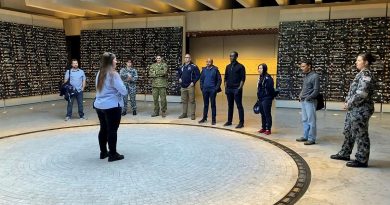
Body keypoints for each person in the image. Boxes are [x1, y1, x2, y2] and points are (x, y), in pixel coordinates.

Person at [330, 53, 376, 168]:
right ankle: (345, 153)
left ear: (366, 62)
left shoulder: (366, 74)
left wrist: (349, 103)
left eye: (359, 60)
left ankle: (362, 159)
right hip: (354, 108)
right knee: (349, 131)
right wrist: (349, 104)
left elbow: (362, 94)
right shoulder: (361, 74)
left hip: (361, 110)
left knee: (361, 134)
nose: (356, 62)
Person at [94, 52, 127, 162]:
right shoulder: (114, 74)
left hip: (99, 106)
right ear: (110, 61)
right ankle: (113, 154)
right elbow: (123, 91)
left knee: (103, 129)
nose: (116, 61)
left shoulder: (100, 73)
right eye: (115, 59)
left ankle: (103, 152)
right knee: (112, 130)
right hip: (112, 106)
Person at [296, 60, 319, 145]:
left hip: (310, 101)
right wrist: (300, 95)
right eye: (301, 66)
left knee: (311, 121)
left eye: (303, 66)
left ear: (309, 66)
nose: (301, 68)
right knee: (305, 119)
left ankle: (312, 139)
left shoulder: (315, 76)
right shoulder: (305, 76)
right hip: (303, 100)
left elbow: (316, 90)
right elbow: (304, 88)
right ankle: (305, 136)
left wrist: (307, 98)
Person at [224, 51, 246, 128]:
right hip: (229, 89)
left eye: (232, 56)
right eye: (230, 56)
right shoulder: (228, 67)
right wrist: (226, 88)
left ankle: (241, 122)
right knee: (230, 106)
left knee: (239, 106)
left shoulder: (241, 67)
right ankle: (229, 121)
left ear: (236, 57)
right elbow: (225, 78)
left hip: (236, 89)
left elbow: (243, 79)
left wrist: (239, 89)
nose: (231, 57)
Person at [198, 58, 222, 125]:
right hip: (205, 90)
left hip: (212, 90)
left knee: (213, 105)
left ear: (212, 62)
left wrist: (216, 89)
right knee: (205, 104)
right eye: (207, 61)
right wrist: (202, 87)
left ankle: (213, 120)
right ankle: (204, 118)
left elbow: (219, 80)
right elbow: (201, 79)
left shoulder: (215, 70)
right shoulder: (204, 70)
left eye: (209, 62)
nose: (208, 63)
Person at [177, 54, 200, 120]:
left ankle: (192, 114)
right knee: (184, 101)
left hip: (190, 86)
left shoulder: (194, 66)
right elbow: (178, 74)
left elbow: (198, 75)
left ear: (190, 59)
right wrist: (179, 78)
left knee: (192, 101)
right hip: (183, 86)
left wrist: (193, 82)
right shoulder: (181, 66)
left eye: (188, 57)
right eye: (185, 57)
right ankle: (184, 113)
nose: (186, 58)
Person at [256, 63, 275, 135]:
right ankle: (263, 127)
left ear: (265, 69)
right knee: (262, 113)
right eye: (259, 68)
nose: (259, 70)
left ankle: (268, 129)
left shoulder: (268, 78)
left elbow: (271, 89)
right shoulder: (260, 77)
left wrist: (270, 97)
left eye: (261, 68)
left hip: (267, 98)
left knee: (267, 114)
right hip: (260, 98)